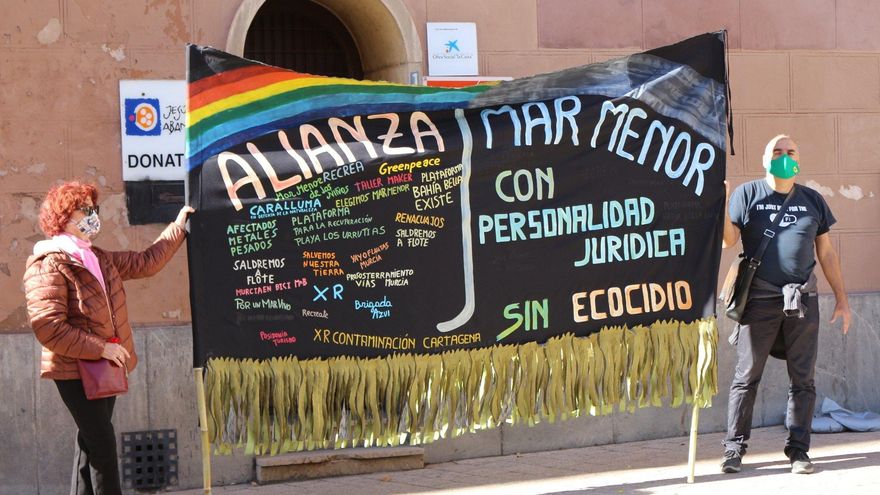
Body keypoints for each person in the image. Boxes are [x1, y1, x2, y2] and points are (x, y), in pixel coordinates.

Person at [23, 181, 194, 495]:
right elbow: (47, 326)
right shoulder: (49, 264)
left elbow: (145, 262)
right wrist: (100, 347)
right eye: (84, 210)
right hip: (75, 369)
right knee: (102, 445)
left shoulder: (97, 257)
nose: (92, 216)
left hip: (105, 366)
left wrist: (179, 226)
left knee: (90, 444)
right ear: (63, 218)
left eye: (94, 209)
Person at [720, 135, 851, 475]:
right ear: (765, 159)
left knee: (803, 380)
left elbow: (826, 253)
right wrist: (719, 203)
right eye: (776, 151)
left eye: (790, 151)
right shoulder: (747, 194)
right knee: (746, 377)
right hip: (759, 299)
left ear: (798, 159)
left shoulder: (812, 200)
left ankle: (798, 451)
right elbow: (728, 240)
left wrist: (842, 298)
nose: (783, 156)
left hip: (802, 301)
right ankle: (734, 450)